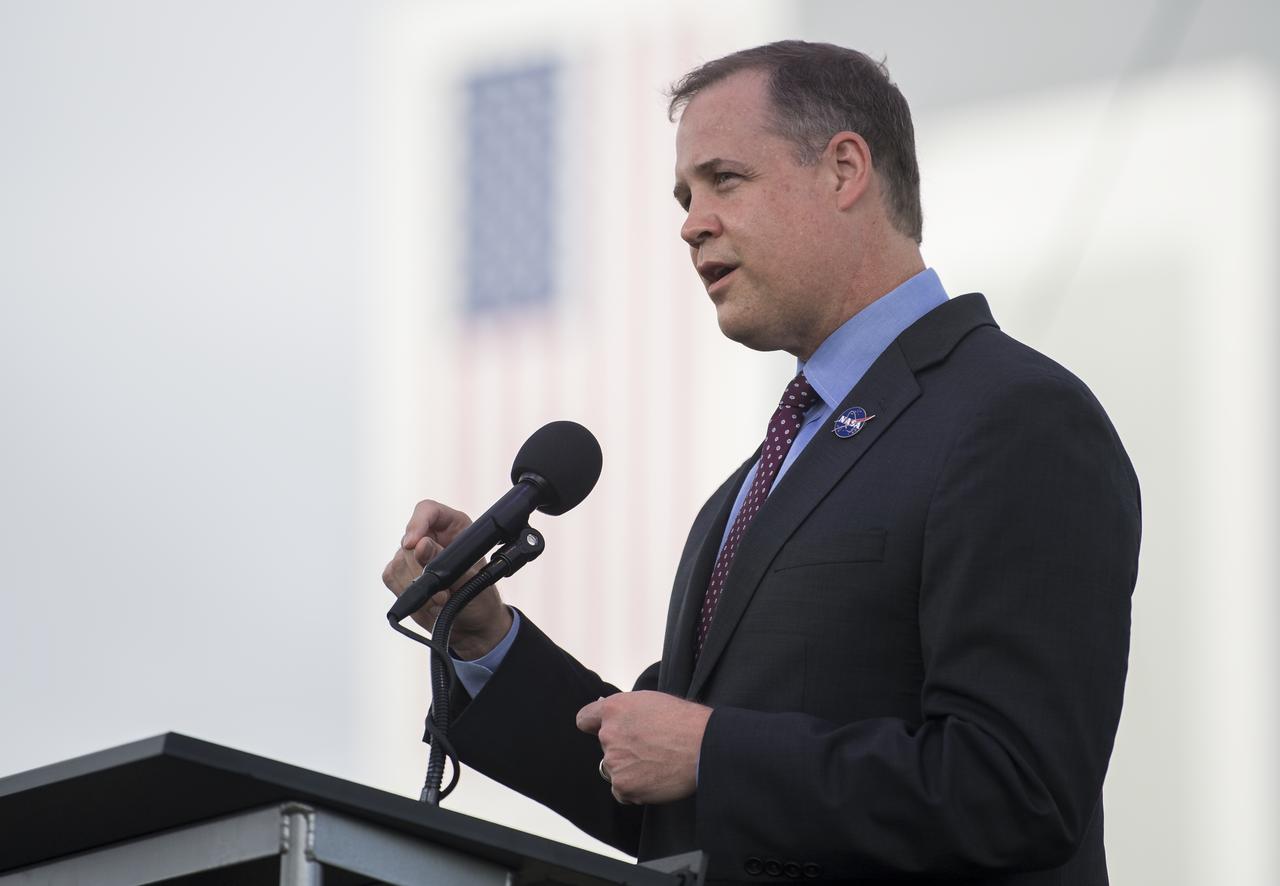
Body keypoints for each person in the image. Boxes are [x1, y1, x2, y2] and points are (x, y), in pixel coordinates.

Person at [383, 41, 1140, 885]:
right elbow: (659, 789)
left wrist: (714, 751)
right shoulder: (749, 487)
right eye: (685, 196)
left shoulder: (1015, 417)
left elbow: (1017, 788)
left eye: (725, 180)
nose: (691, 222)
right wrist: (485, 639)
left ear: (844, 169)